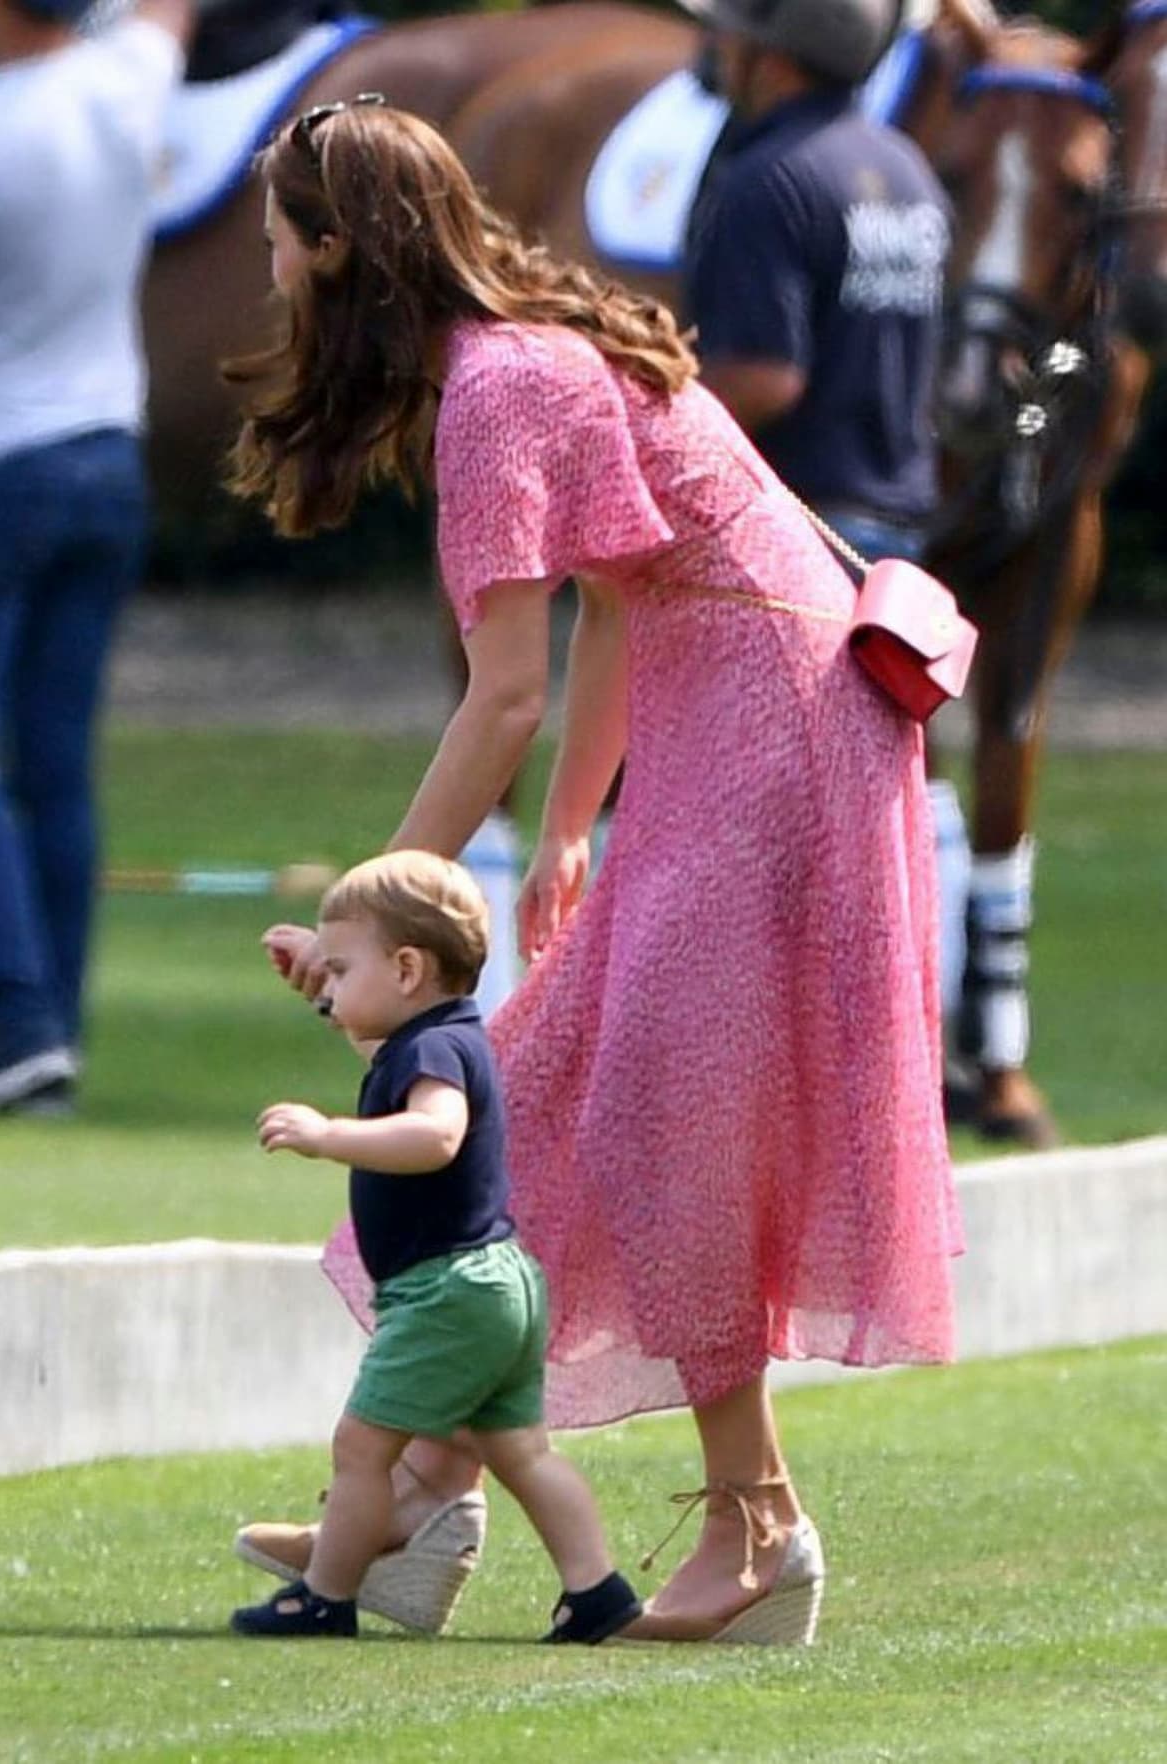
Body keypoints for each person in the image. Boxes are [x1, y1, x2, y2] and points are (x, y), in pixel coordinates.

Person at [228, 98, 960, 1646]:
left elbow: (504, 689)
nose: (274, 267)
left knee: (660, 1116)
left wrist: (372, 911)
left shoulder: (495, 384)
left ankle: (757, 1528)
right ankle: (421, 1492)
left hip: (776, 725)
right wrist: (571, 826)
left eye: (283, 238)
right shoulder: (520, 349)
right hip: (746, 711)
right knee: (549, 1079)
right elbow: (624, 598)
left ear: (344, 245)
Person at [0, 0, 202, 1115]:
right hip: (104, 461)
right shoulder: (130, 81)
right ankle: (50, 1037)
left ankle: (15, 1018)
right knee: (57, 766)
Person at [230, 849, 642, 1644]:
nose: (332, 988)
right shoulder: (442, 1035)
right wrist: (321, 969)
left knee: (361, 1447)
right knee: (521, 1450)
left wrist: (329, 1136)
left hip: (447, 1288)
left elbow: (437, 1135)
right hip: (500, 1281)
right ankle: (596, 1590)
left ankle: (326, 1593)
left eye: (342, 970)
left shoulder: (429, 1056)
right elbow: (372, 1037)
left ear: (409, 968)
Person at [680, 0, 973, 1030]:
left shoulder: (767, 179)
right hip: (892, 535)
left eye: (724, 33)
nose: (710, 48)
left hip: (791, 545)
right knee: (872, 826)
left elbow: (762, 377)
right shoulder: (903, 169)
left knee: (765, 848)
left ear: (767, 55)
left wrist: (646, 413)